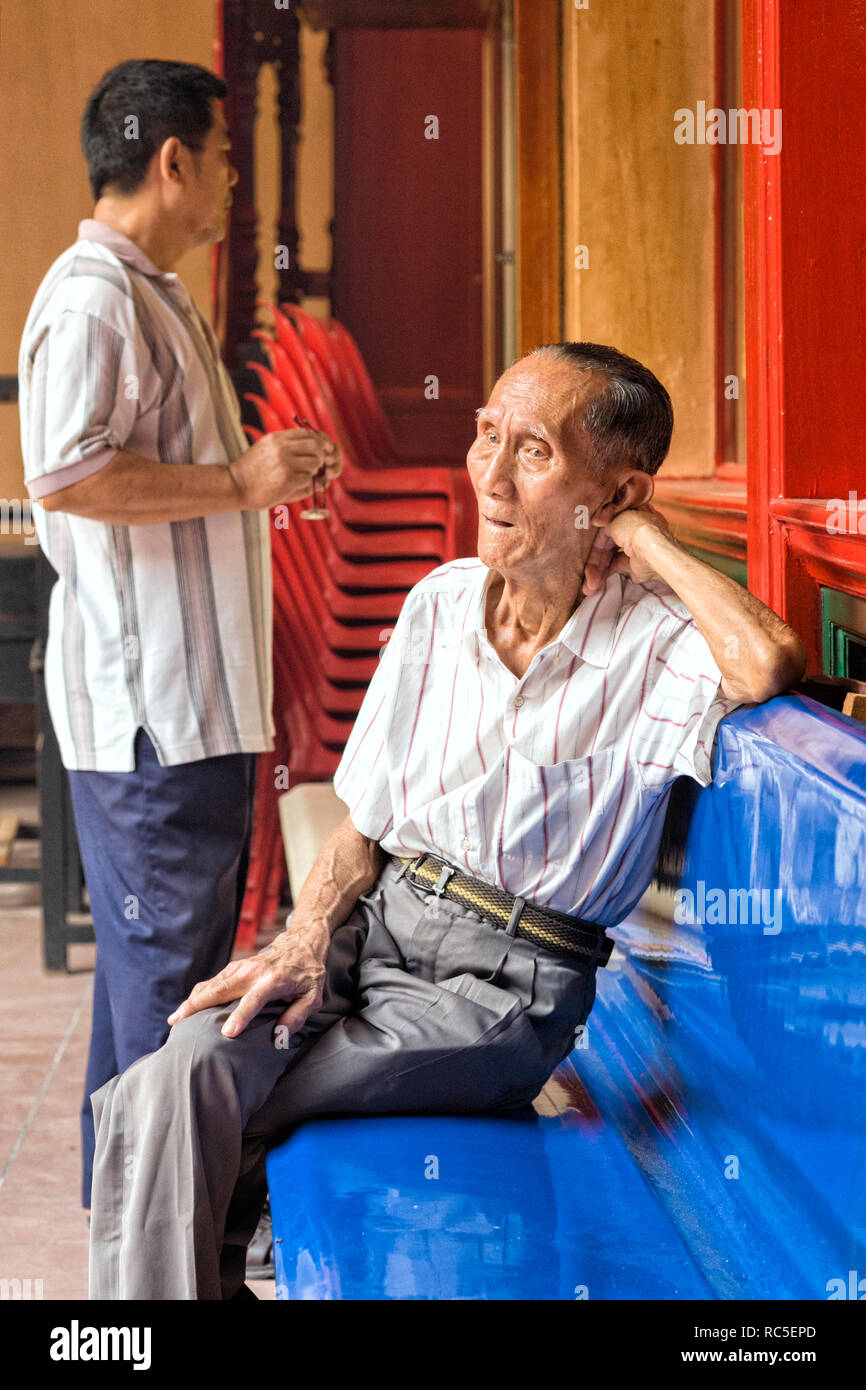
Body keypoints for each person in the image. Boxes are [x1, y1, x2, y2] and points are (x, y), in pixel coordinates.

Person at [88, 342, 807, 1299]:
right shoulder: (436, 606)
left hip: (502, 987)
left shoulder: (658, 643)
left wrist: (645, 542)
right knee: (185, 1069)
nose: (494, 479)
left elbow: (767, 664)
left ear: (620, 489)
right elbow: (364, 824)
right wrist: (306, 938)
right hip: (375, 924)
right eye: (486, 440)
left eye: (537, 453)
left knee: (194, 1112)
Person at [17, 59, 340, 1214]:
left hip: (192, 706)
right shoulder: (96, 292)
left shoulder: (151, 288)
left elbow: (179, 474)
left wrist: (257, 476)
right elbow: (65, 476)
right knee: (167, 989)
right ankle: (159, 1259)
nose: (231, 180)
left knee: (154, 980)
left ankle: (132, 1225)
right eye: (225, 154)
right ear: (174, 162)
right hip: (152, 709)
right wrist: (240, 481)